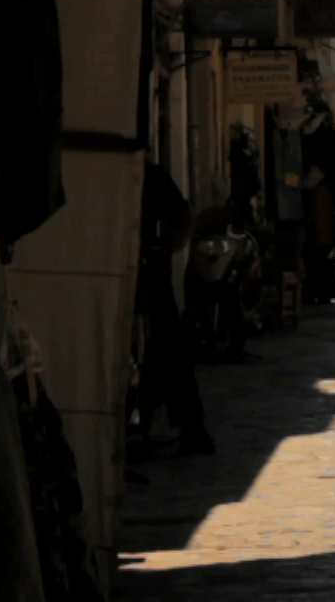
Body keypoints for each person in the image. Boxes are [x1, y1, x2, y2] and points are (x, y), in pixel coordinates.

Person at [135, 161, 214, 456]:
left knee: (169, 343)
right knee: (167, 346)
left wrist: (163, 246)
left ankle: (186, 424)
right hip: (139, 268)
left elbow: (183, 218)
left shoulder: (147, 172)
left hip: (147, 269)